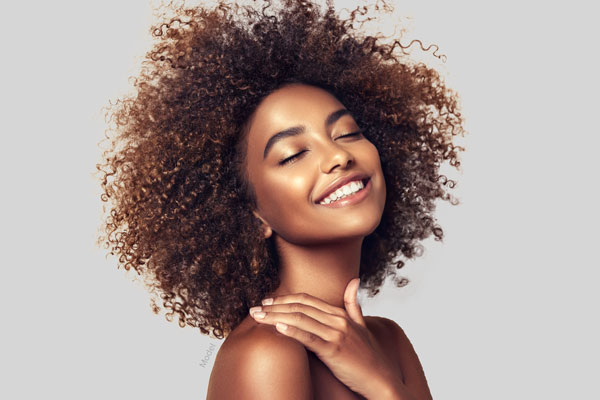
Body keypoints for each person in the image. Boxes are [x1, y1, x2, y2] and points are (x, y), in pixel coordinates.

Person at [96, 0, 464, 399]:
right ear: (252, 213)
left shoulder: (388, 341)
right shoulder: (266, 352)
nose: (339, 156)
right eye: (292, 154)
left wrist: (382, 385)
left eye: (348, 133)